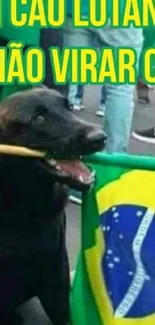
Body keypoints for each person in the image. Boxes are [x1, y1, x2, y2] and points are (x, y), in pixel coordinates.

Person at [65, 0, 143, 204]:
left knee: (68, 82)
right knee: (120, 87)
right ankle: (113, 168)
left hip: (76, 8)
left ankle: (71, 169)